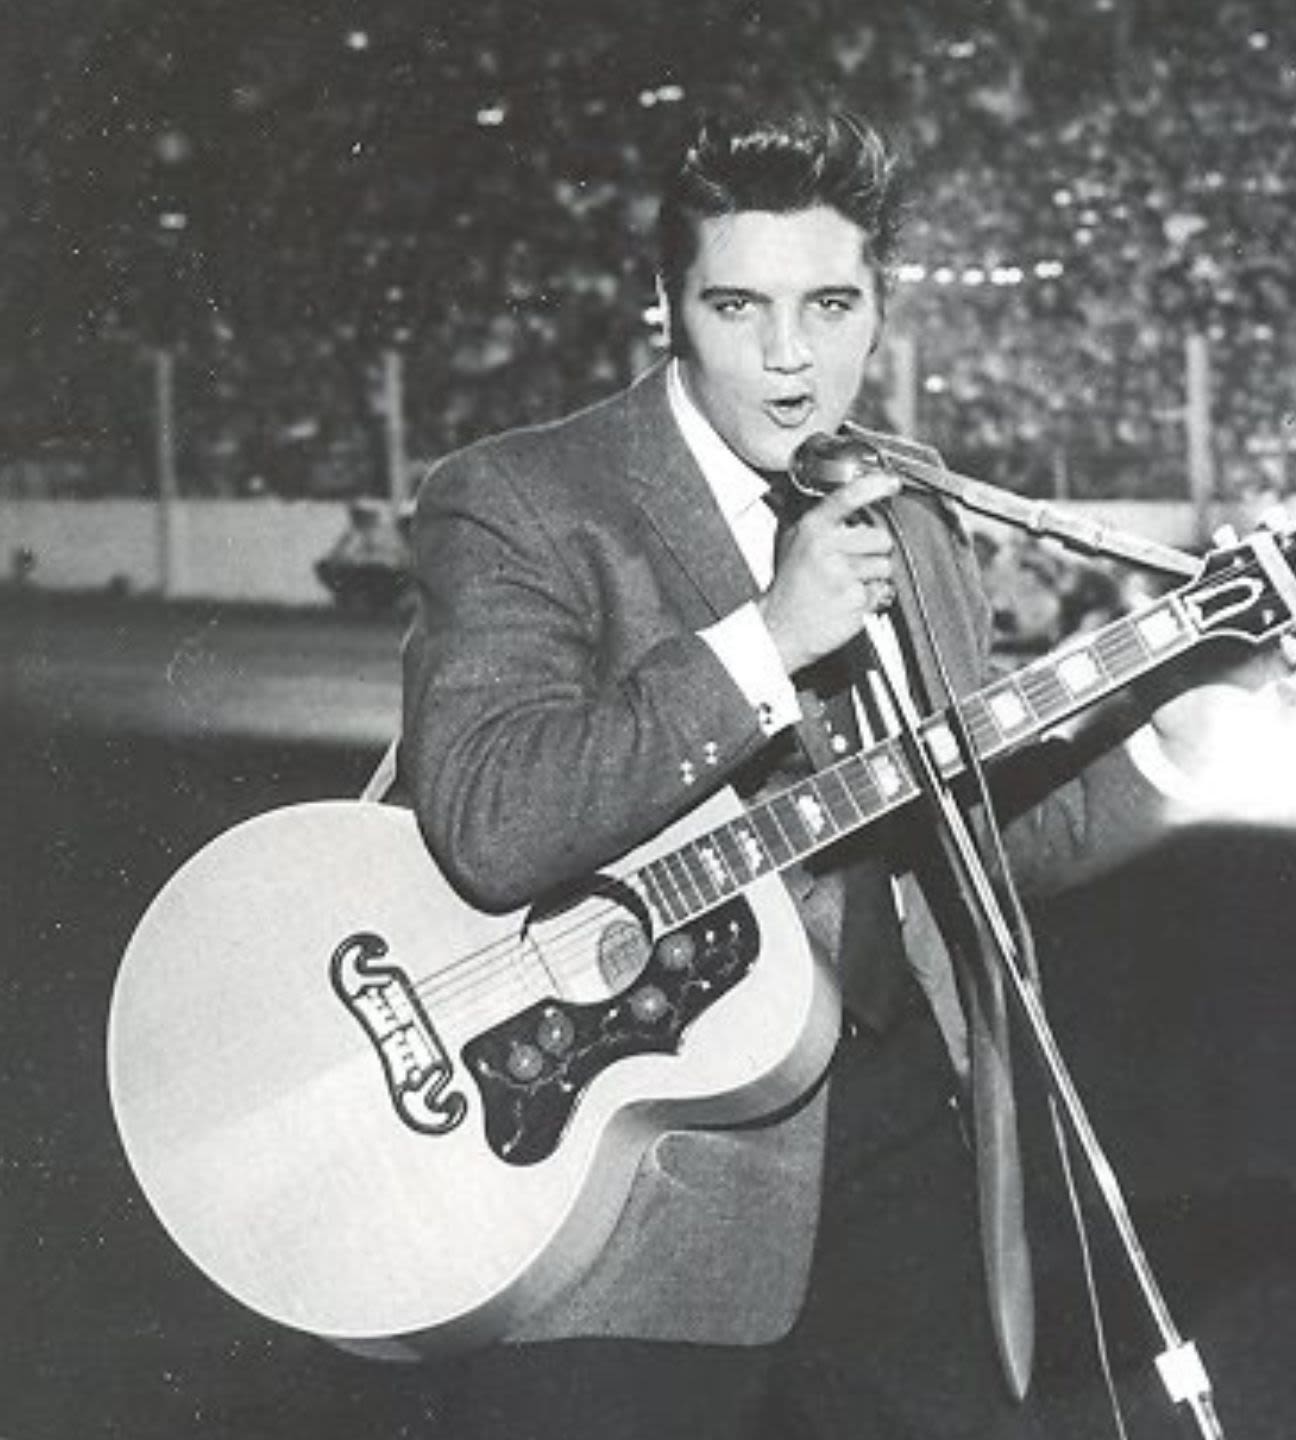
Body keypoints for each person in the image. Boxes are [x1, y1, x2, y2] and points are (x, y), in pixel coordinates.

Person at [399, 102, 1237, 1438]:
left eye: (831, 306)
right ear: (664, 304)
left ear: (881, 305)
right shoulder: (527, 499)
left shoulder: (917, 512)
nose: (792, 360)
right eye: (739, 309)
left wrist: (1190, 735)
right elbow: (493, 823)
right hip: (633, 1210)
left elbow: (967, 838)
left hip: (903, 1157)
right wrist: (768, 642)